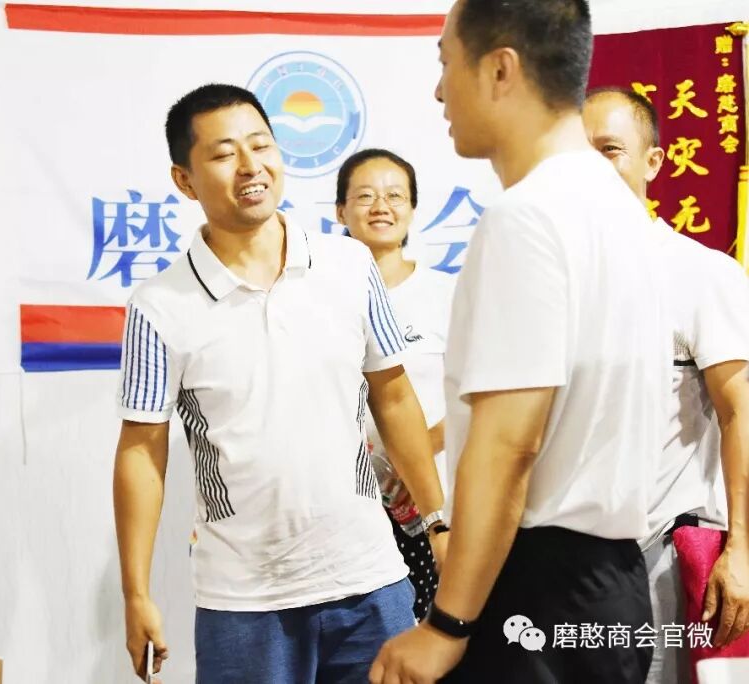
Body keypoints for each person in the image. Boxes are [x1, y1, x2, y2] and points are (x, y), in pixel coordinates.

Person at [369, 1, 669, 682]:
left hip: (537, 590)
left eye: (446, 63)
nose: (439, 91)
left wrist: (447, 624)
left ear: (500, 69)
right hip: (611, 583)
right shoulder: (618, 206)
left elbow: (510, 445)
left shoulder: (527, 216)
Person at [112, 83, 449, 683]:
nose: (251, 166)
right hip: (243, 601)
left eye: (261, 145)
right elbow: (141, 449)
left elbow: (394, 396)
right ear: (184, 180)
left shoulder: (348, 265)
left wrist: (437, 524)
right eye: (223, 154)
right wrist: (135, 593)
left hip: (372, 582)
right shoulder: (159, 305)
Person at [584, 86, 749, 684]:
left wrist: (742, 549)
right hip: (564, 565)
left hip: (659, 562)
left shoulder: (701, 273)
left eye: (610, 150)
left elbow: (739, 413)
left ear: (653, 161)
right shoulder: (552, 279)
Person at [335, 148, 457, 619]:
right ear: (340, 211)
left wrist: (413, 458)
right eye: (365, 196)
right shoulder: (320, 297)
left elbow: (476, 397)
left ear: (412, 208)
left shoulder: (447, 295)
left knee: (436, 632)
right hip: (348, 505)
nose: (380, 207)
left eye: (394, 196)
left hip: (435, 502)